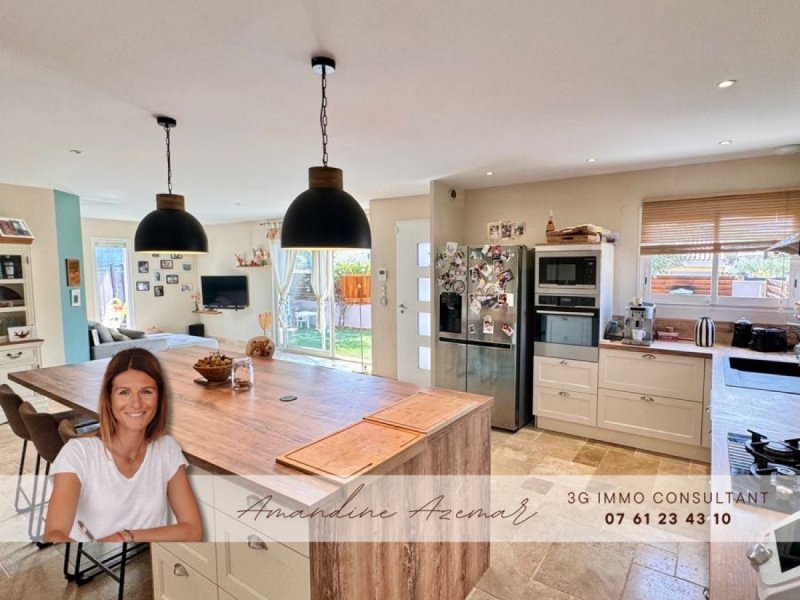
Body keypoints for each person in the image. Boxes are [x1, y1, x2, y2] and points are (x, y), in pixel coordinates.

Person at [44, 348, 203, 543]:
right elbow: (54, 534)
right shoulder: (77, 454)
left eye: (146, 392)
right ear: (109, 399)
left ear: (160, 397)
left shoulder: (167, 449)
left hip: (148, 557)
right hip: (95, 560)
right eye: (124, 393)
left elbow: (193, 530)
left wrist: (125, 536)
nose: (136, 403)